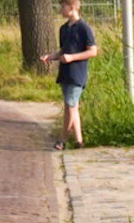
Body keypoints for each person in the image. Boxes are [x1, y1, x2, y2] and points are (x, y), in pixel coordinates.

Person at [41, 0, 97, 152]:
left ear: (72, 8)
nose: (60, 9)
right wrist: (51, 57)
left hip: (77, 73)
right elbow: (62, 50)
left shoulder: (84, 28)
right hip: (65, 73)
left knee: (70, 106)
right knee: (72, 106)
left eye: (63, 6)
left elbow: (92, 51)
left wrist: (72, 58)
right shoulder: (63, 29)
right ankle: (79, 140)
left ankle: (62, 140)